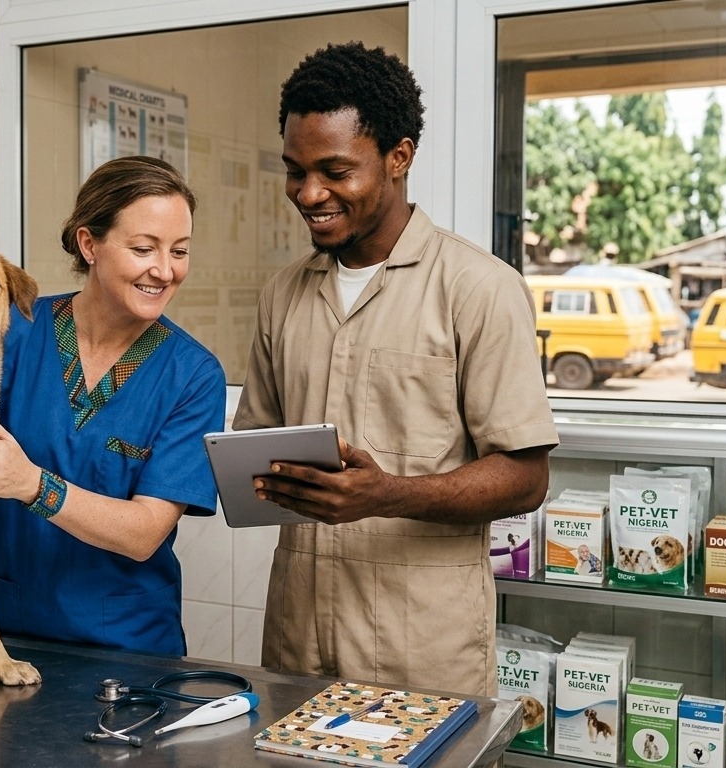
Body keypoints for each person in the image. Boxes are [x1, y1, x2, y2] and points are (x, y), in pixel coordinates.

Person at [233, 42, 559, 697]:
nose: (309, 193)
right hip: (298, 641)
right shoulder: (283, 295)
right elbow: (254, 457)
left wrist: (388, 494)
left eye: (334, 171)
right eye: (295, 171)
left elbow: (526, 476)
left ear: (399, 157)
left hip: (423, 655)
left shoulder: (478, 289)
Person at [0, 155, 227, 656]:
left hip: (128, 647)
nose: (164, 271)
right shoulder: (13, 331)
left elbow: (144, 533)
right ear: (89, 243)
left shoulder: (193, 376)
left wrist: (31, 484)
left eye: (179, 251)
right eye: (144, 248)